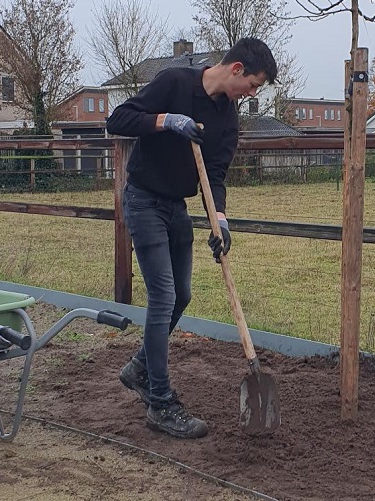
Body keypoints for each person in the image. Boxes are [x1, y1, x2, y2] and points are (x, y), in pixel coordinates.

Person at [105, 38, 277, 439]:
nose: (252, 93)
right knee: (163, 297)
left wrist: (221, 222)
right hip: (144, 199)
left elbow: (214, 175)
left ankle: (139, 368)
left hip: (176, 208)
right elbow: (119, 119)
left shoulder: (227, 119)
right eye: (253, 84)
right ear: (236, 69)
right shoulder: (174, 83)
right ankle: (161, 403)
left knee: (182, 295)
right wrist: (167, 120)